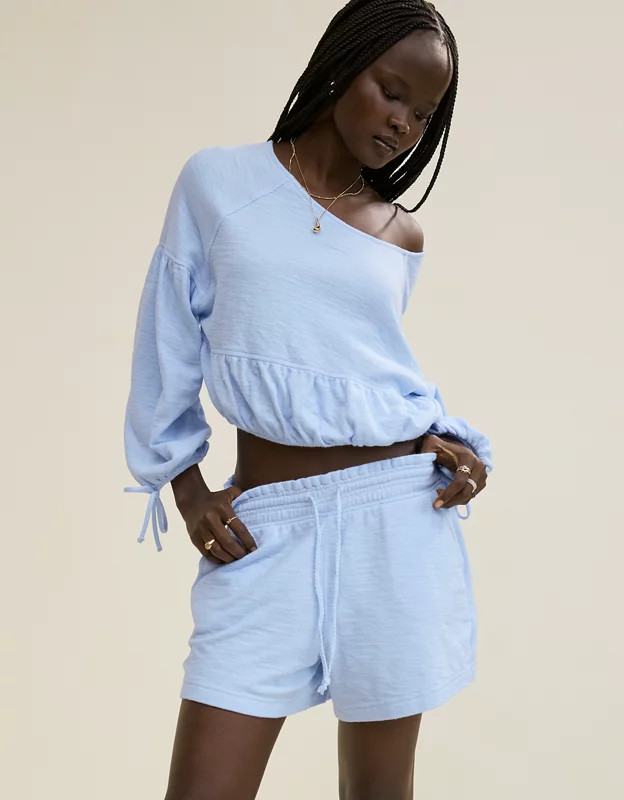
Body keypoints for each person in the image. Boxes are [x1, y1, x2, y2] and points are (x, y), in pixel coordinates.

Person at [123, 1, 494, 797]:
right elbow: (167, 339)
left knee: (378, 792)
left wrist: (448, 442)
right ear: (343, 63)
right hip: (267, 530)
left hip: (397, 519)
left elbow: (362, 368)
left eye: (424, 113)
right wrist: (186, 489)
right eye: (392, 91)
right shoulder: (219, 185)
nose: (404, 124)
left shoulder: (399, 233)